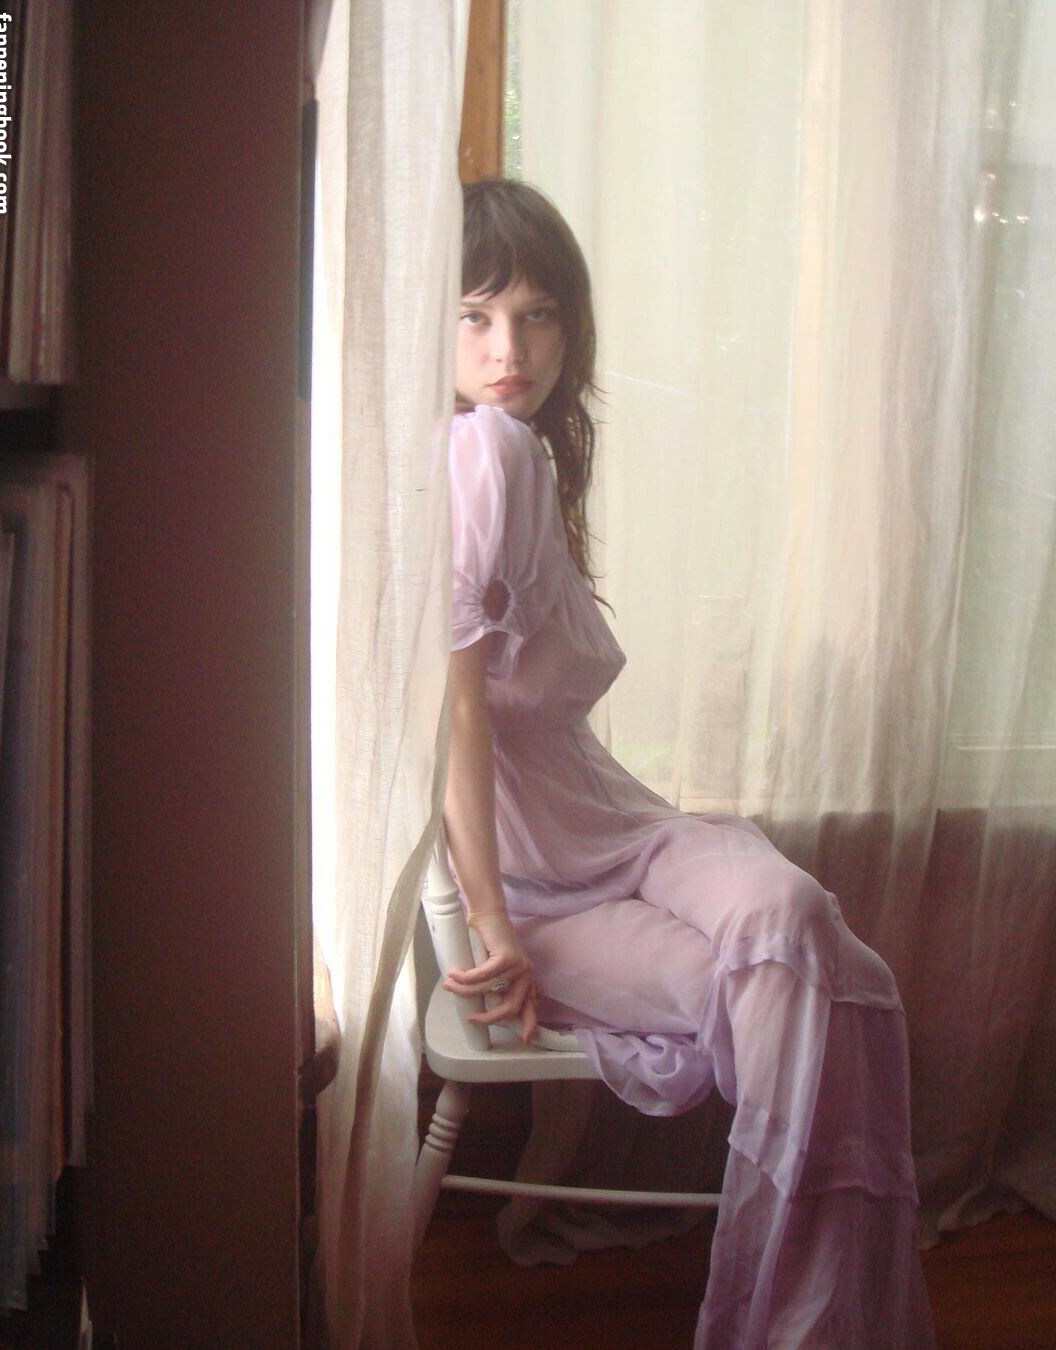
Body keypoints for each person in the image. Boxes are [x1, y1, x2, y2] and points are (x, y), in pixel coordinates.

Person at [441, 178, 935, 1348]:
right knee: (803, 990)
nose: (511, 349)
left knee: (798, 925)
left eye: (539, 315)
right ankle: (807, 1323)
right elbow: (453, 711)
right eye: (477, 316)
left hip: (617, 827)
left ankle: (811, 1315)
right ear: (435, 330)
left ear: (573, 329)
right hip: (532, 880)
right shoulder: (481, 453)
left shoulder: (522, 457)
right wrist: (492, 916)